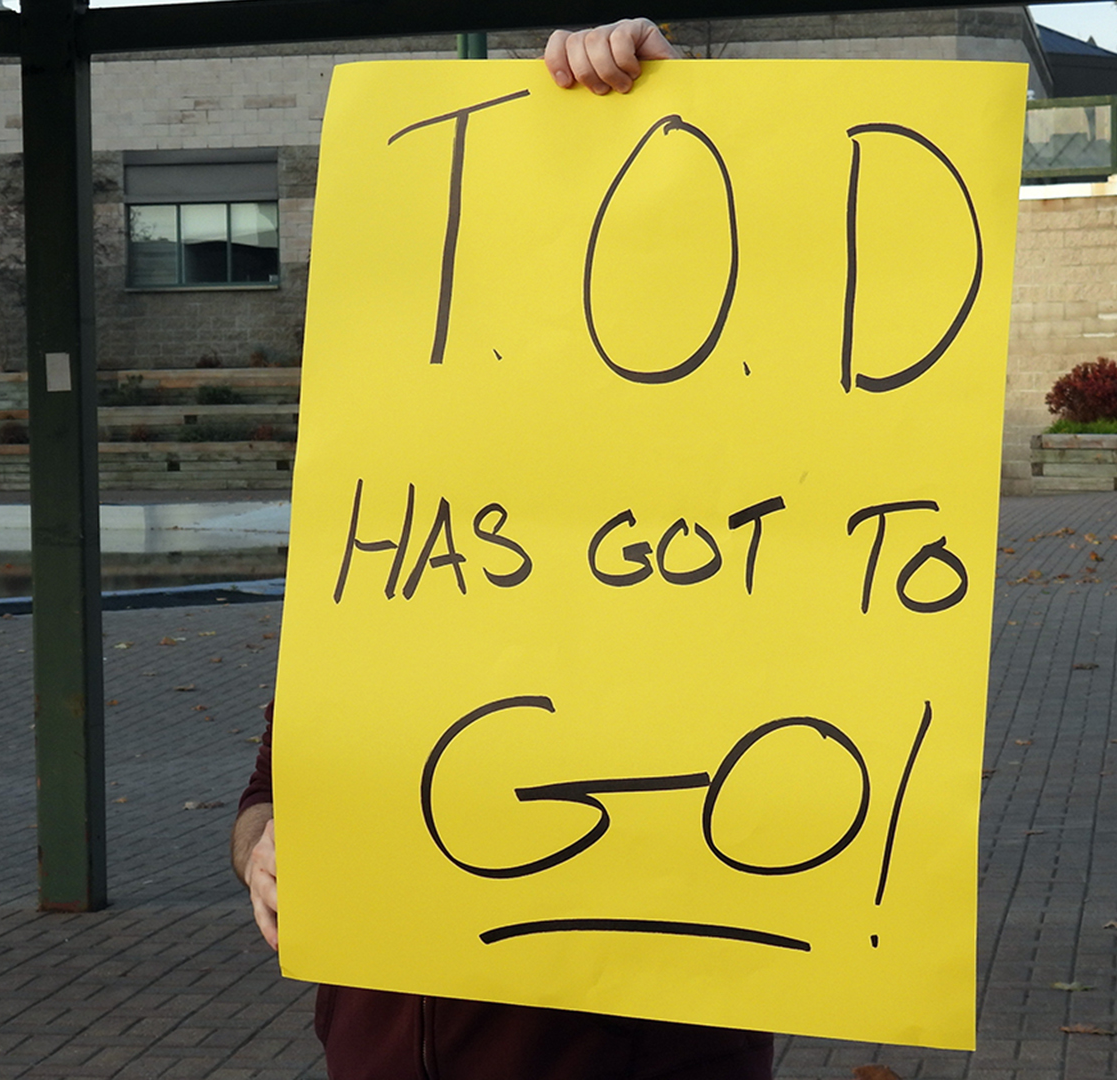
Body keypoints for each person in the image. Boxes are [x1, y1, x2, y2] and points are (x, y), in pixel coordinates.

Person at [230, 20, 774, 1080]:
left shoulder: (719, 529)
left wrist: (660, 101)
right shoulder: (389, 534)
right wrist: (260, 848)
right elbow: (274, 780)